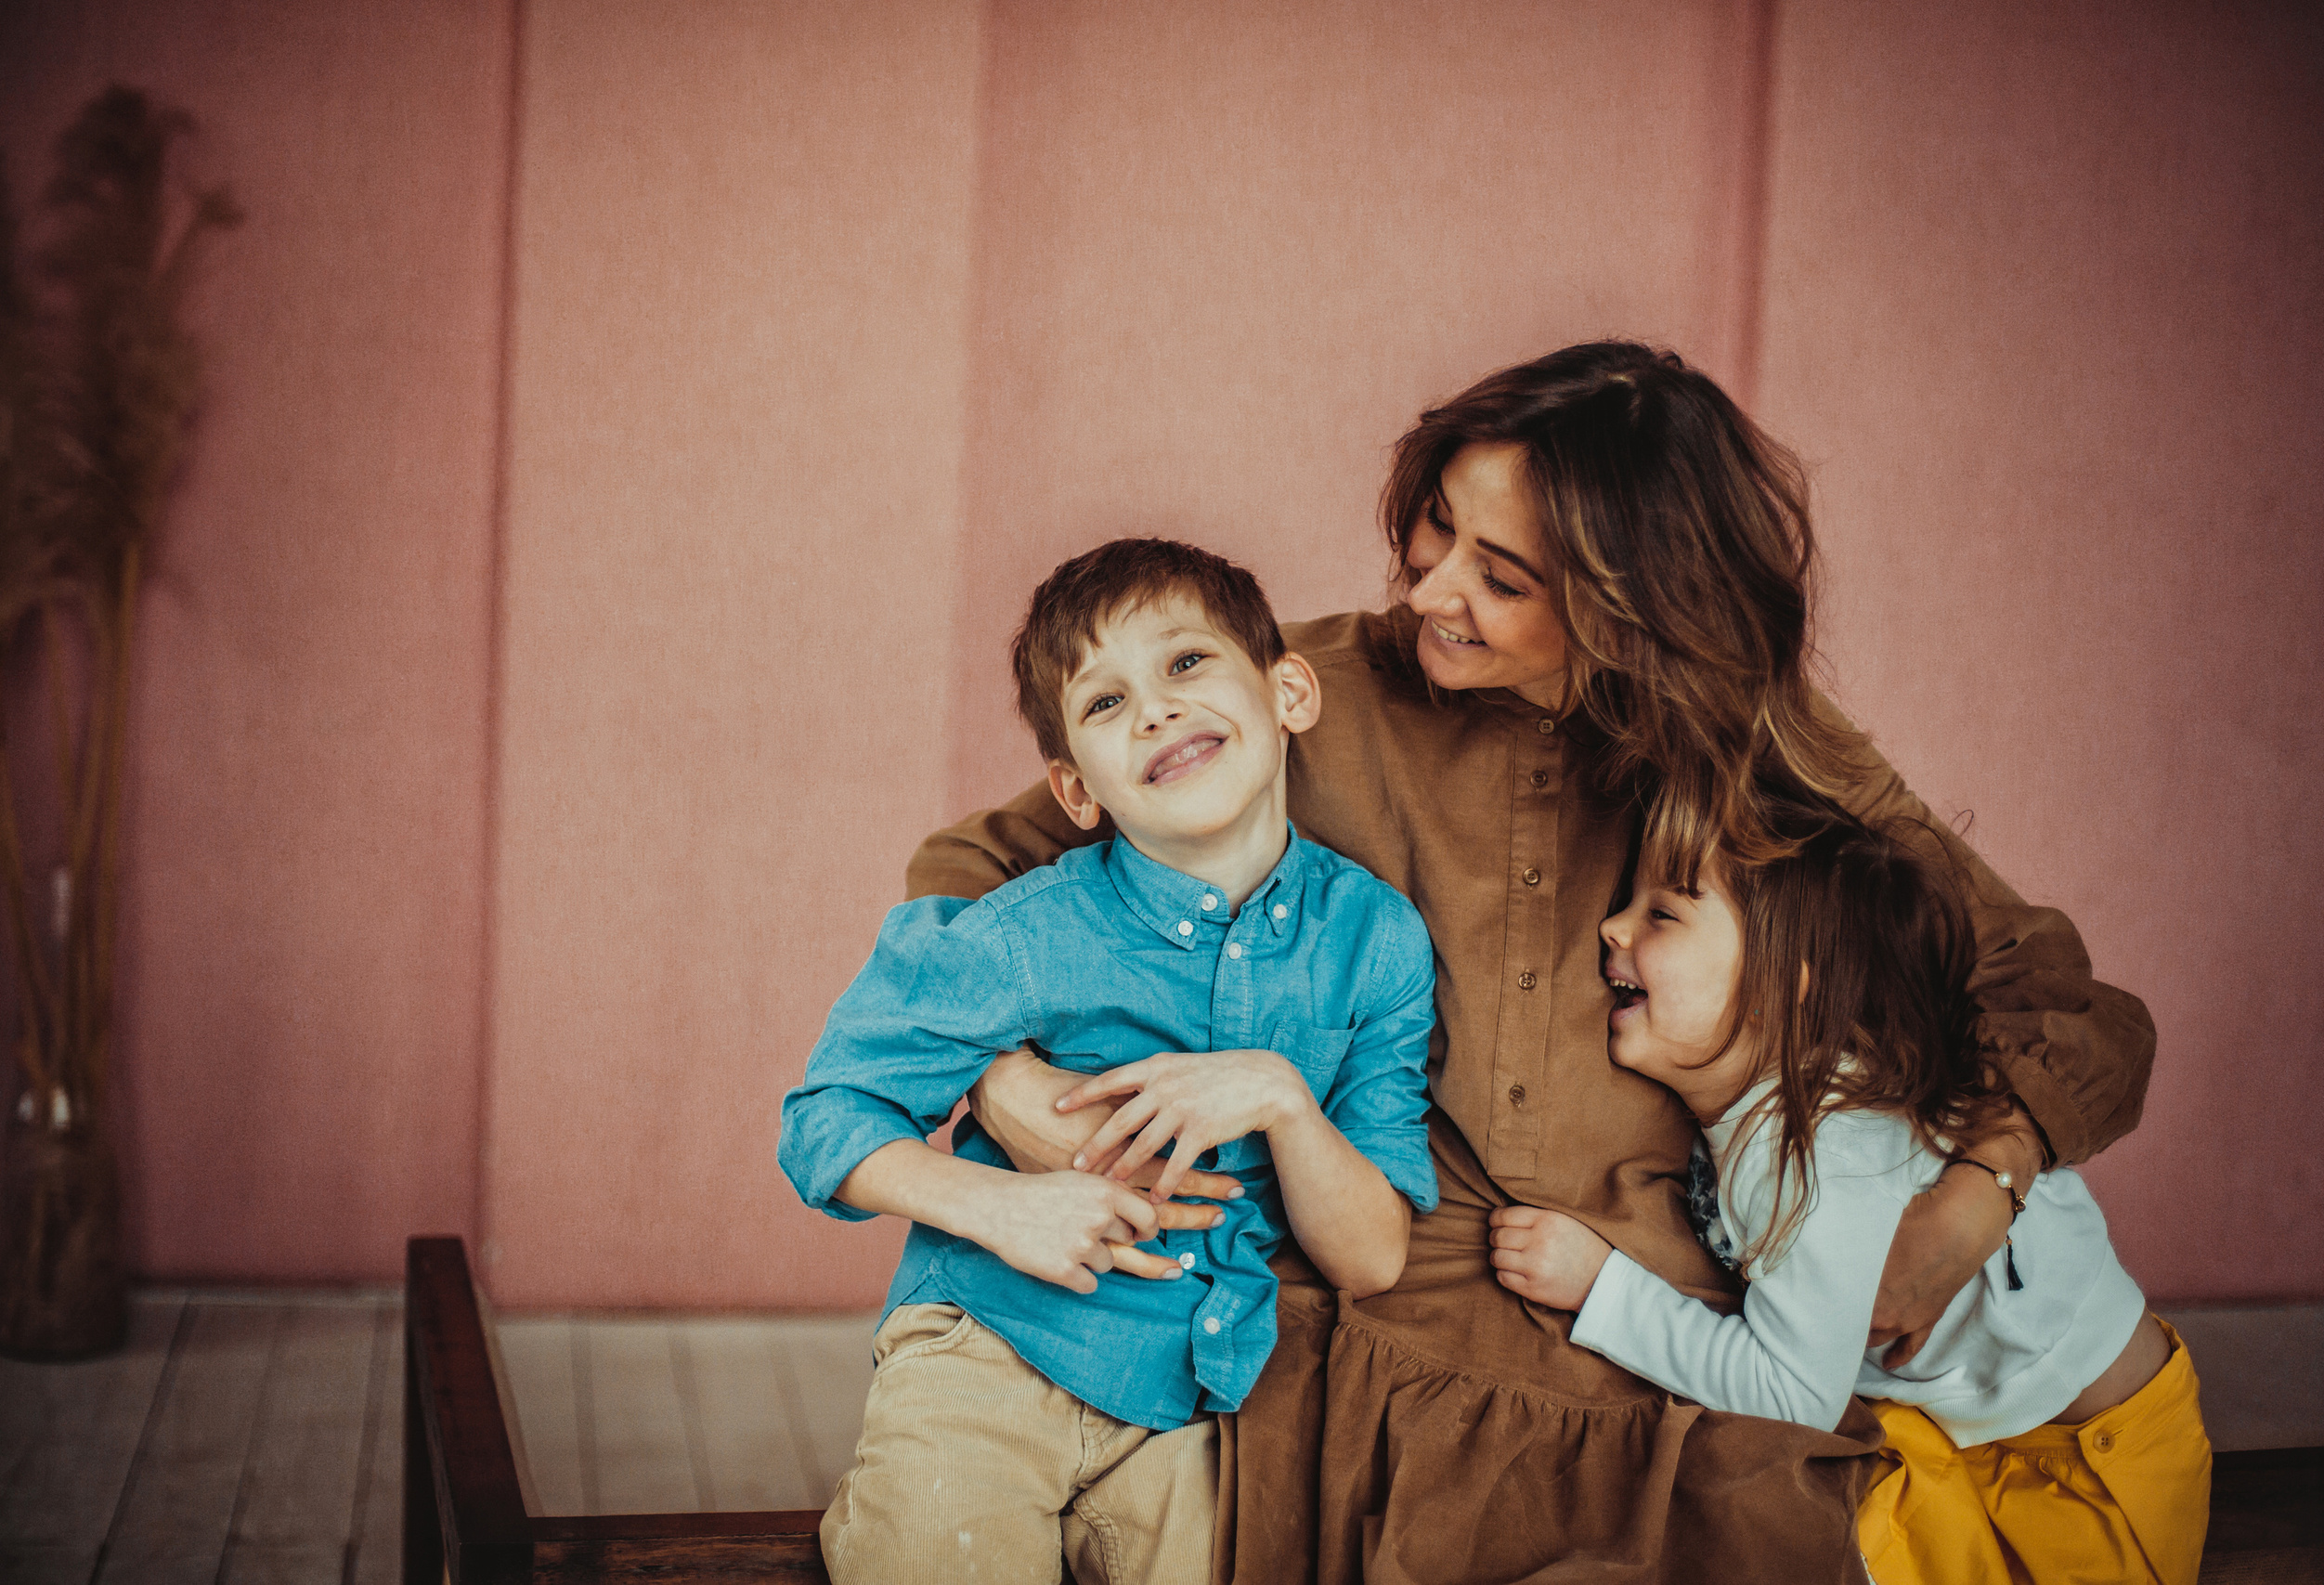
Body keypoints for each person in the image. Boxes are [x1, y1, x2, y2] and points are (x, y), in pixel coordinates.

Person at [917, 342, 2156, 1582]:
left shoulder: (1765, 758)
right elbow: (971, 868)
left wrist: (1971, 1197)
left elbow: (2062, 1001)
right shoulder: (1308, 693)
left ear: (1636, 605)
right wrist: (1013, 1084)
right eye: (1437, 527)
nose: (1432, 588)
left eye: (1501, 574)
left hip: (1664, 1364)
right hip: (1369, 1329)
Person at [778, 538, 1441, 1585]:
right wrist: (999, 1208)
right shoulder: (1022, 936)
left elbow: (1371, 1257)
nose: (1155, 712)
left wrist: (1281, 1100)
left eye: (1186, 664)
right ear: (1075, 790)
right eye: (1104, 703)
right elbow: (827, 1115)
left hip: (1195, 1399)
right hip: (991, 1348)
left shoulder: (1376, 941)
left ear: (1290, 693)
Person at [1489, 803, 2210, 1585]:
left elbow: (1793, 1393)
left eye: (1661, 912)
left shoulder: (1814, 1144)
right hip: (1975, 1423)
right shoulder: (1774, 1109)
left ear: (1781, 982)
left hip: (2087, 1473)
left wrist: (1605, 1289)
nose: (1612, 928)